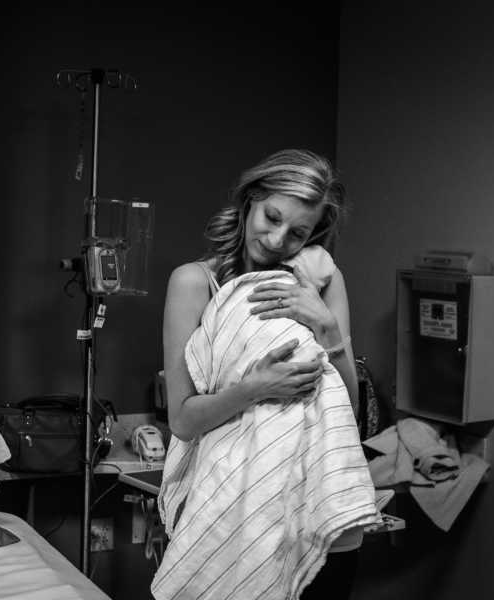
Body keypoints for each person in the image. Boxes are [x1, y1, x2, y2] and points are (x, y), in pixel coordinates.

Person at [152, 149, 377, 600]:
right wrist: (254, 388)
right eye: (271, 217)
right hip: (231, 506)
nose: (276, 240)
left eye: (298, 233)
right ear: (250, 199)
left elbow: (347, 408)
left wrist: (326, 325)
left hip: (314, 503)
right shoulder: (195, 283)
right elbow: (182, 420)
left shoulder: (324, 283)